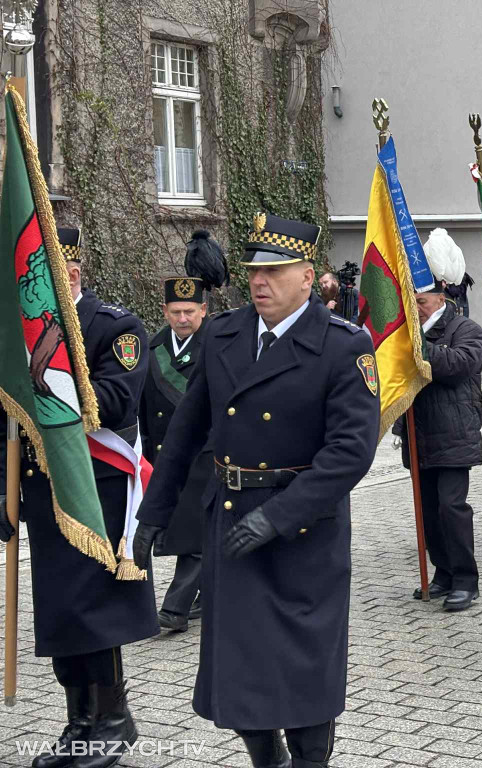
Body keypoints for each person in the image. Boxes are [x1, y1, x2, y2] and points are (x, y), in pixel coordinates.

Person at [132, 213, 379, 768]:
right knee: (241, 669)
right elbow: (185, 432)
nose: (259, 280)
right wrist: (154, 512)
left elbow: (350, 453)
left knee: (305, 667)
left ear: (307, 277)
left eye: (275, 270)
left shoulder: (343, 346)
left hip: (302, 532)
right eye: (253, 270)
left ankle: (310, 758)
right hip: (232, 520)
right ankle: (265, 758)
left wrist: (279, 516)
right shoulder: (223, 335)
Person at [1, 227, 159, 768]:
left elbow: (116, 401)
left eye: (38, 280)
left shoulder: (115, 327)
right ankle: (80, 724)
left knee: (97, 613)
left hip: (99, 489)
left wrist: (49, 377)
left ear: (68, 275)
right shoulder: (21, 336)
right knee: (62, 613)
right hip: (44, 494)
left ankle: (112, 722)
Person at [394, 235, 482, 611]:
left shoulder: (466, 329)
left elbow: (457, 365)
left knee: (452, 508)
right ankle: (443, 572)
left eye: (420, 302)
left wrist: (418, 348)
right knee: (428, 511)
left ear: (440, 299)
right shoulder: (409, 334)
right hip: (418, 434)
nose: (414, 308)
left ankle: (466, 578)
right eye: (412, 302)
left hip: (454, 434)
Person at [139, 276, 210, 633]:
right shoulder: (152, 350)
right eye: (176, 312)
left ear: (203, 310)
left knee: (195, 529)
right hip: (164, 455)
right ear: (165, 312)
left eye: (190, 311)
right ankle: (209, 592)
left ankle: (175, 608)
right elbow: (144, 407)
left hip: (204, 454)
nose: (183, 319)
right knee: (179, 528)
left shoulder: (218, 347)